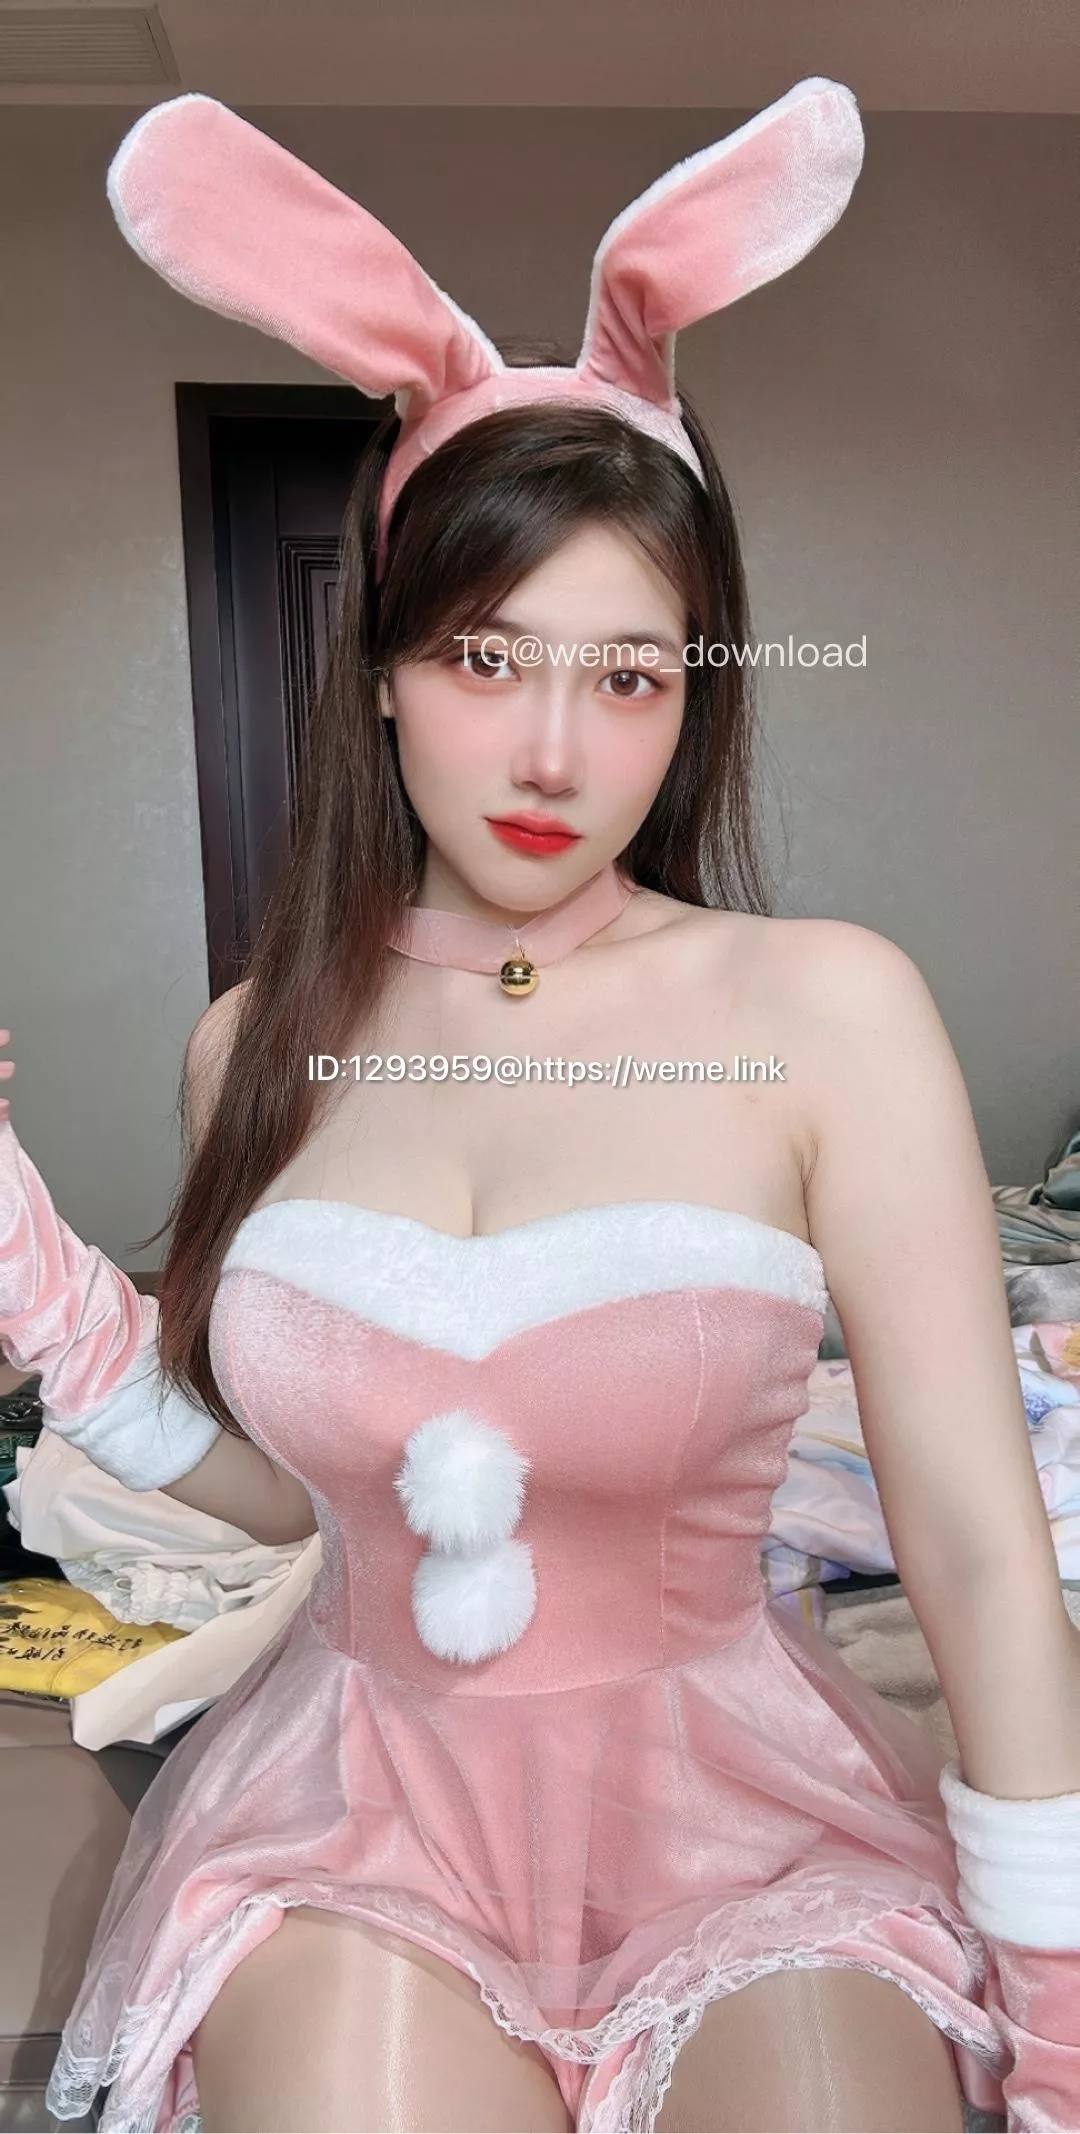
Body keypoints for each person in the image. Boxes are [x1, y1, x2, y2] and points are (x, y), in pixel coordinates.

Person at [2, 77, 1079, 2134]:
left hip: (746, 1806)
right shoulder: (254, 1042)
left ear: (697, 694)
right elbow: (304, 1495)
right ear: (381, 666)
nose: (556, 751)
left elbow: (970, 1541)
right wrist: (27, 1266)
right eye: (489, 659)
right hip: (359, 1803)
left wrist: (1064, 2003)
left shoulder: (825, 1009)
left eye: (631, 674)